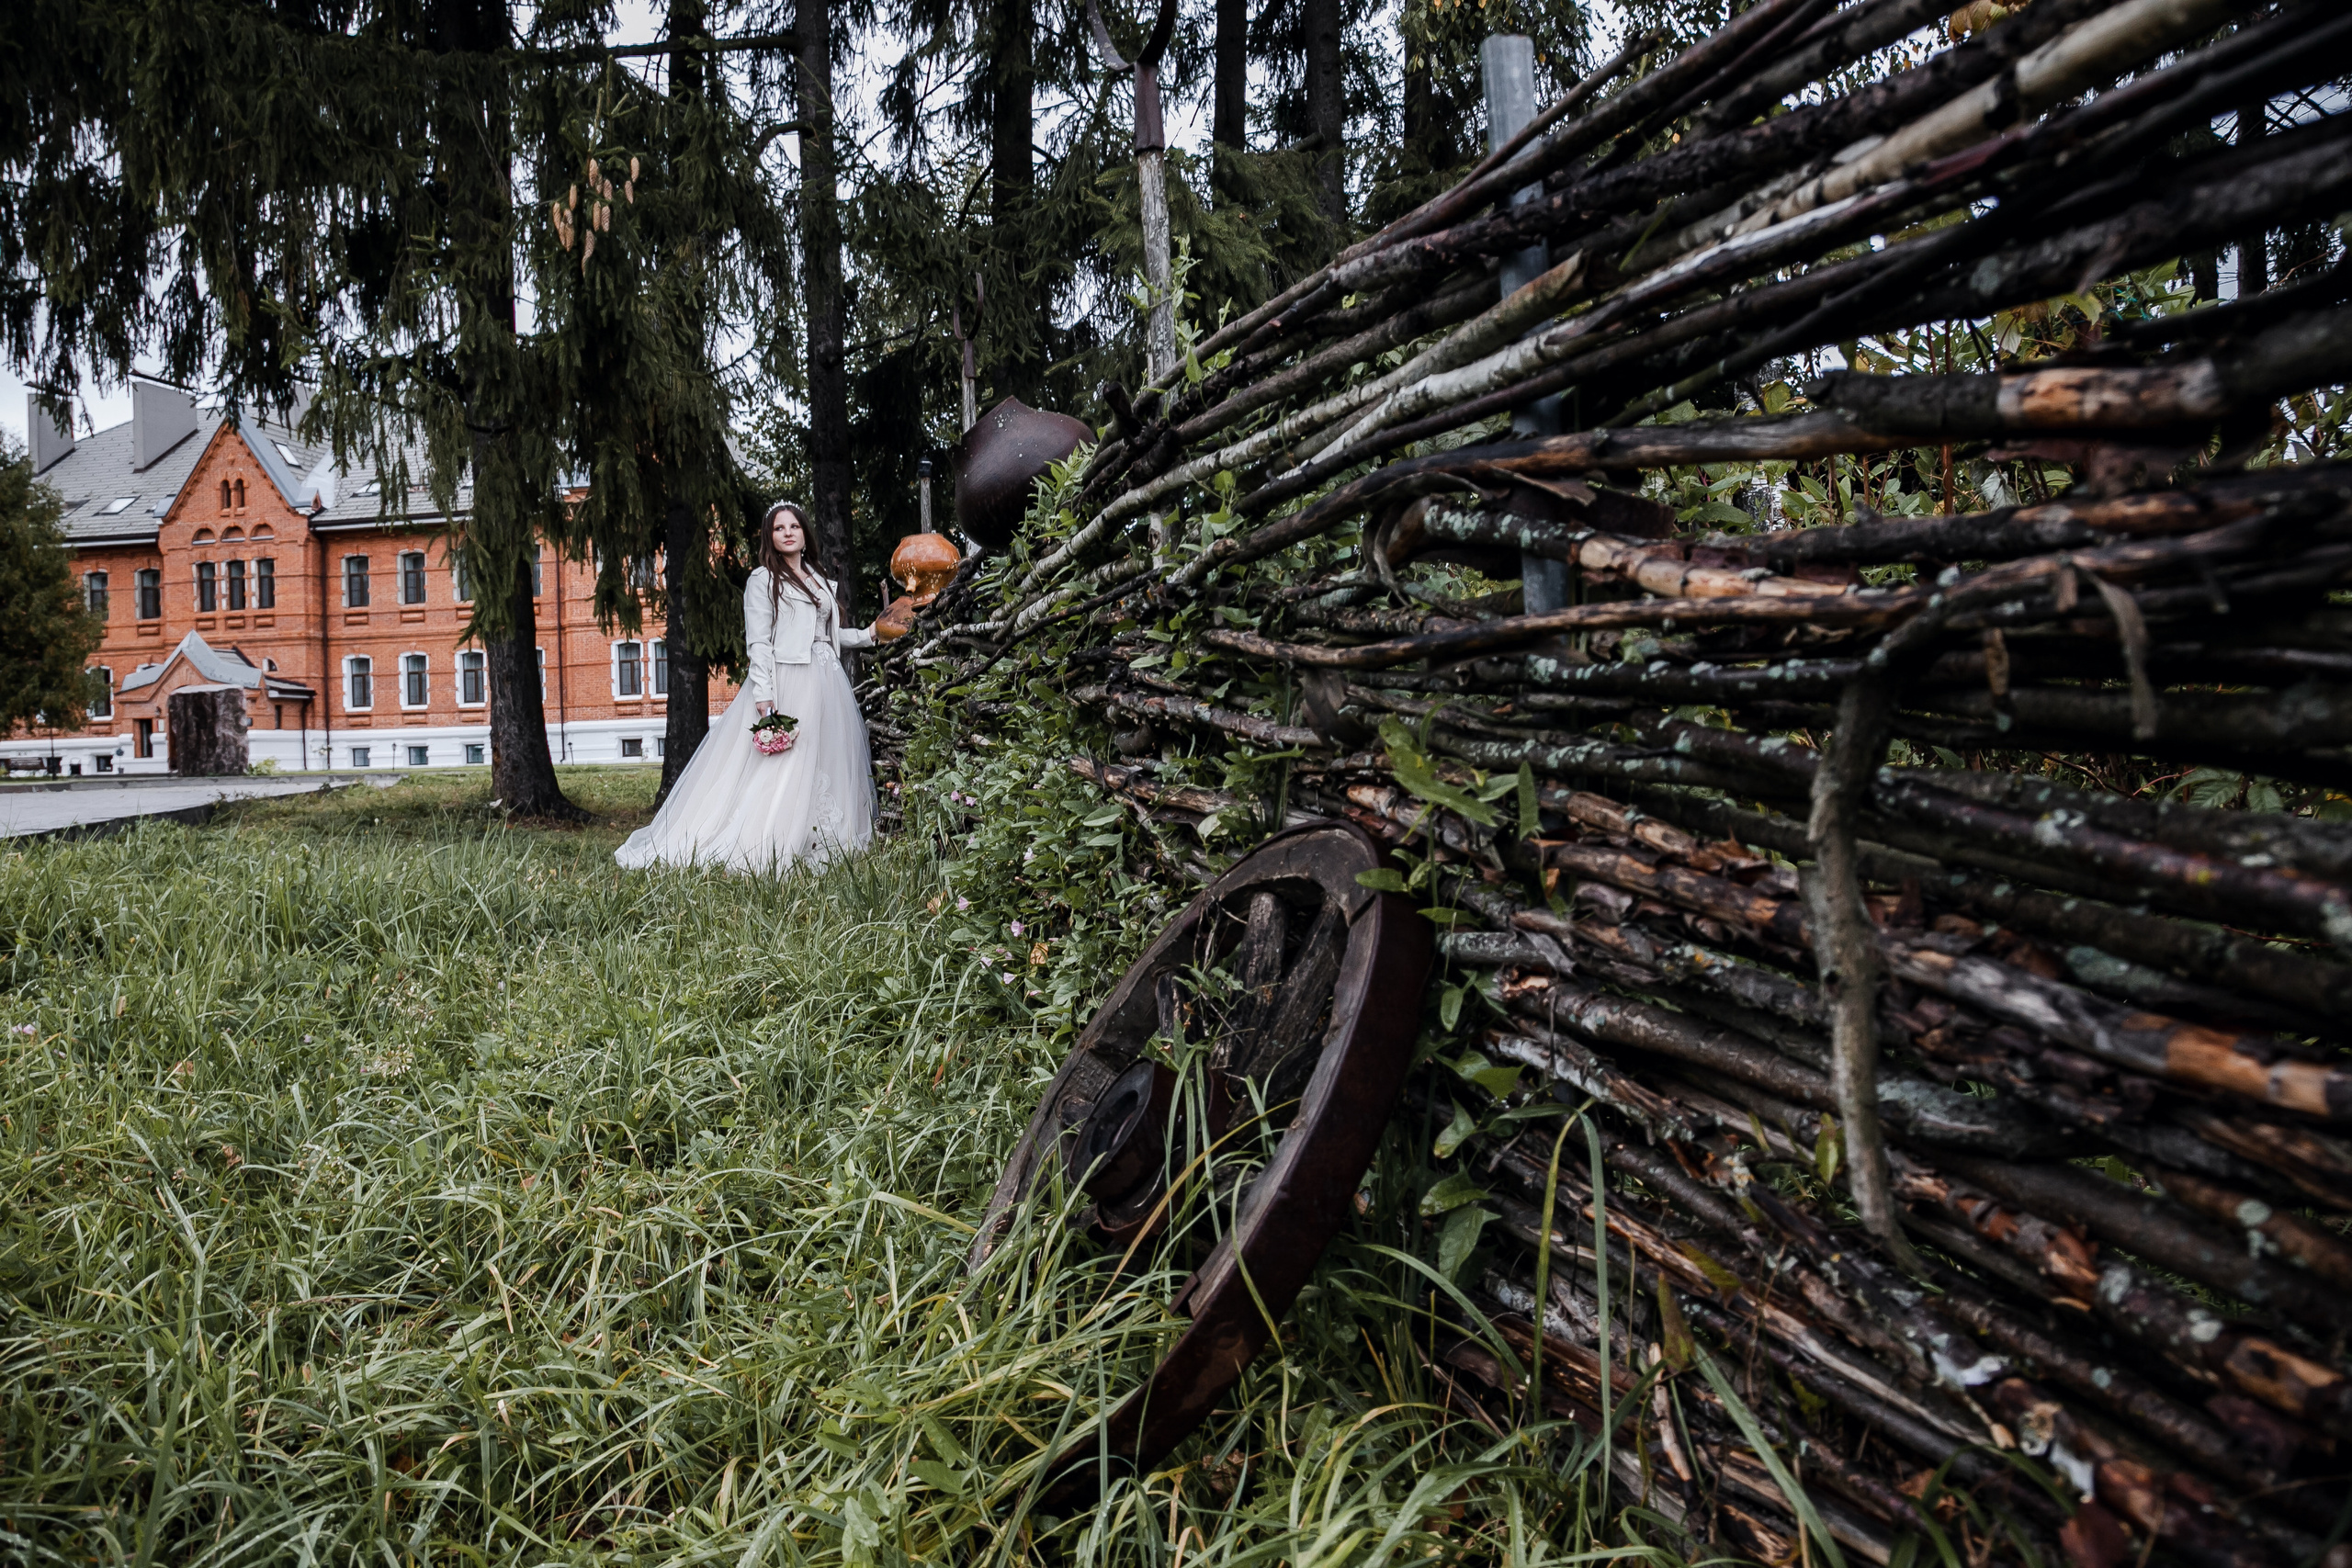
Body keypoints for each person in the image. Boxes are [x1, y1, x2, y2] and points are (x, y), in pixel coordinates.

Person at [616, 501, 877, 873]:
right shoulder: (763, 581)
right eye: (778, 528)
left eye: (794, 527)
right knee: (787, 764)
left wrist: (870, 634)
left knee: (825, 758)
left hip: (827, 680)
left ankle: (820, 837)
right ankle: (769, 841)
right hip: (790, 679)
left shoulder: (819, 580)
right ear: (770, 538)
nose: (788, 532)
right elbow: (759, 643)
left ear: (805, 534)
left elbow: (828, 636)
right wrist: (764, 697)